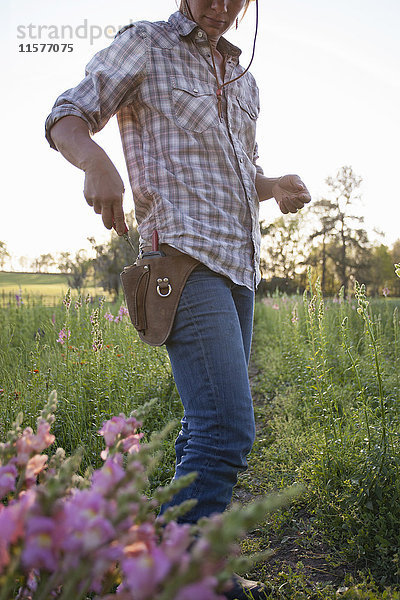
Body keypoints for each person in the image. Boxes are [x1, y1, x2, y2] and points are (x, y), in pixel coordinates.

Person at [45, 1, 311, 597]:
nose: (221, 7)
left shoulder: (246, 81)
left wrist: (274, 187)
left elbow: (239, 170)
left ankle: (172, 565)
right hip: (182, 260)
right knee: (227, 427)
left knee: (203, 424)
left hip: (240, 266)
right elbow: (67, 113)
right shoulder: (147, 45)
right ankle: (179, 581)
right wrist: (96, 163)